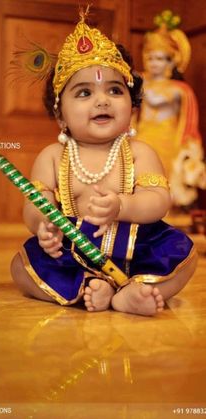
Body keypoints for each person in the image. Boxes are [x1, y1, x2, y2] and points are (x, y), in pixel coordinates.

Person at [11, 9, 197, 316]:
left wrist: (123, 206)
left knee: (184, 256)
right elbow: (36, 202)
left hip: (136, 248)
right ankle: (88, 286)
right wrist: (43, 224)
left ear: (131, 101)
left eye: (114, 90)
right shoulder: (53, 156)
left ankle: (133, 291)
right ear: (60, 114)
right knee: (21, 266)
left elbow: (158, 201)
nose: (102, 100)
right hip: (72, 252)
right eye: (84, 92)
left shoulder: (139, 152)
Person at [132, 10, 206, 208]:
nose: (154, 63)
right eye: (151, 57)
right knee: (140, 177)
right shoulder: (141, 81)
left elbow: (155, 100)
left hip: (169, 140)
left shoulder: (179, 89)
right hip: (143, 136)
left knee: (165, 179)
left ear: (172, 61)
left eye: (161, 58)